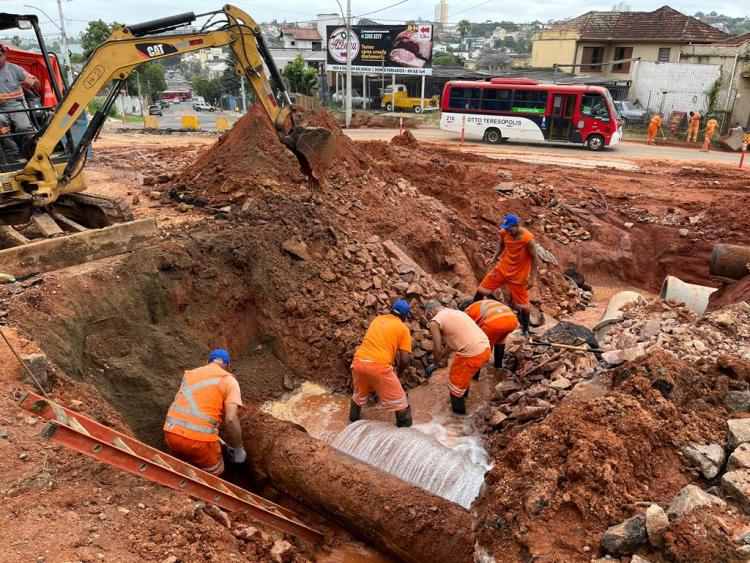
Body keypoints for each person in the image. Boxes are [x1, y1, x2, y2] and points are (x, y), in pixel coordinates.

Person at [163, 349, 245, 475]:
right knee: (217, 471)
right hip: (200, 442)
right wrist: (239, 449)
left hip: (171, 433)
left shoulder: (189, 374)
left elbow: (193, 409)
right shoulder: (229, 381)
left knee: (178, 466)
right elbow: (230, 419)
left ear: (207, 362)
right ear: (228, 366)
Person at [349, 299, 413, 427]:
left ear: (391, 310)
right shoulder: (403, 328)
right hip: (379, 366)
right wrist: (398, 374)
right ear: (404, 317)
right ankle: (406, 436)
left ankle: (351, 425)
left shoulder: (377, 319)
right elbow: (405, 360)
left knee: (358, 397)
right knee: (401, 405)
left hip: (358, 362)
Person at [474, 213, 538, 337]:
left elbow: (535, 257)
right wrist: (494, 257)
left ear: (517, 226)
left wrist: (532, 278)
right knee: (481, 290)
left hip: (519, 276)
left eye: (510, 228)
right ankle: (472, 318)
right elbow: (502, 245)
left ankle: (525, 330)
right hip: (502, 269)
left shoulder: (527, 239)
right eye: (506, 228)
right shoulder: (504, 232)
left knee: (524, 306)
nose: (507, 231)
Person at [424, 300, 490, 415]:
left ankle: (458, 420)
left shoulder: (435, 321)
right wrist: (440, 359)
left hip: (472, 354)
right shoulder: (456, 313)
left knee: (454, 387)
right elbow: (451, 344)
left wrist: (435, 364)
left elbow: (437, 348)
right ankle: (465, 397)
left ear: (429, 314)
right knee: (463, 377)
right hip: (485, 348)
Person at [0, 44, 40, 159]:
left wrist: (32, 82)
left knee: (23, 128)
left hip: (17, 106)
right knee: (2, 128)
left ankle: (31, 152)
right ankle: (12, 154)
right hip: (0, 110)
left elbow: (37, 83)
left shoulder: (15, 69)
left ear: (4, 55)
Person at [458, 298, 518, 371]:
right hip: (512, 321)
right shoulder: (485, 303)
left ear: (465, 307)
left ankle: (475, 376)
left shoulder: (468, 310)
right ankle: (498, 367)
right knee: (500, 341)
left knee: (481, 347)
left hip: (494, 323)